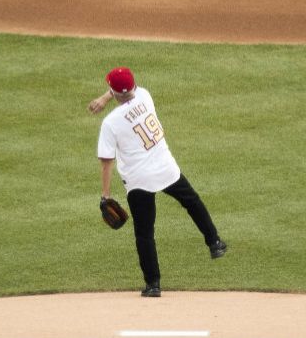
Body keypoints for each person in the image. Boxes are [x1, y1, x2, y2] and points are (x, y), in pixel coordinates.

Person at [89, 67, 227, 298]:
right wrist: (106, 96)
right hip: (165, 168)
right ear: (133, 87)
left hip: (138, 180)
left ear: (112, 90)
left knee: (144, 233)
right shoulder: (145, 95)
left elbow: (106, 161)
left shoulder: (110, 123)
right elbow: (123, 91)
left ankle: (153, 285)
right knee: (192, 201)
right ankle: (214, 242)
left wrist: (105, 195)